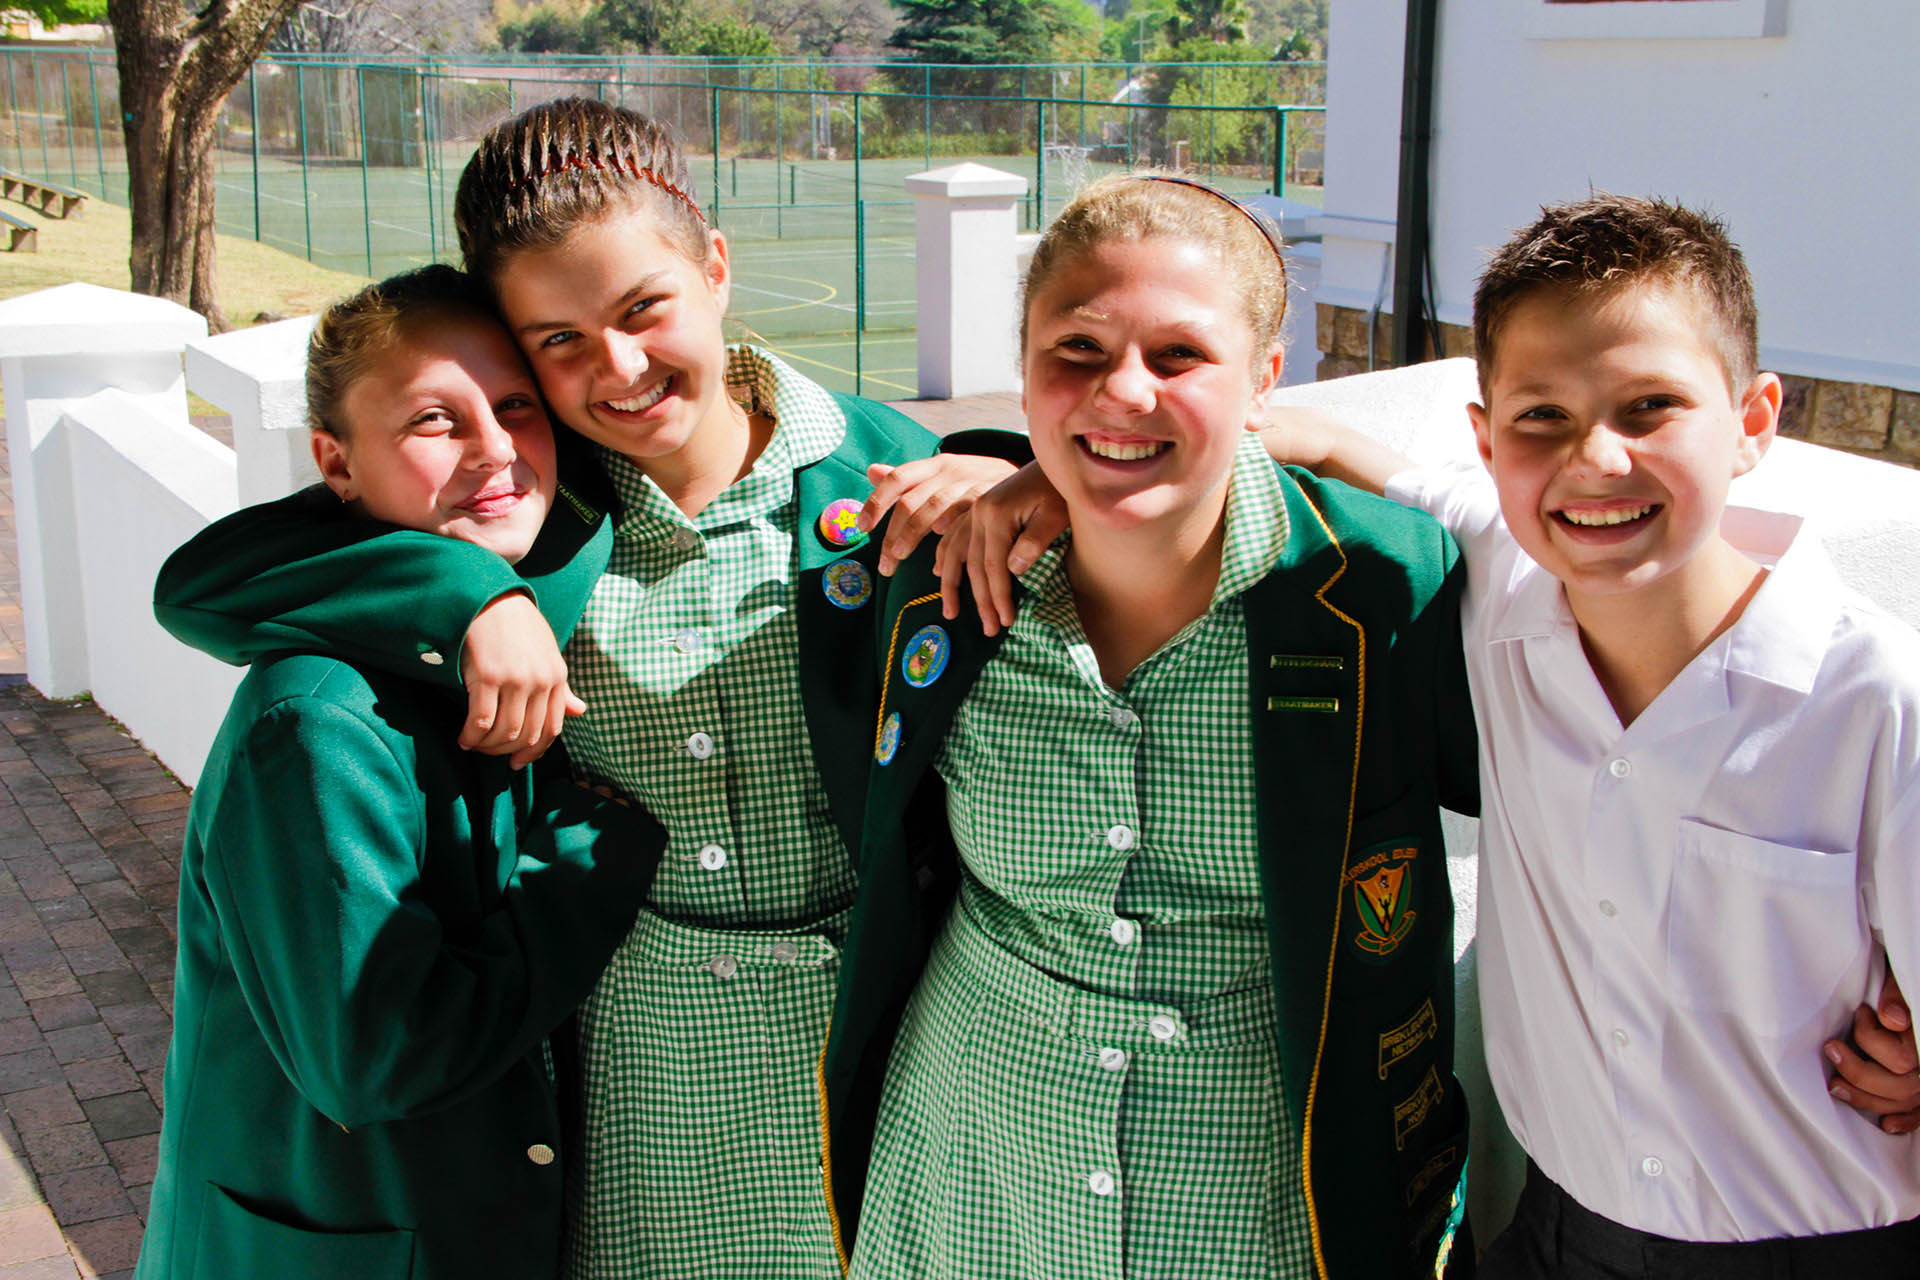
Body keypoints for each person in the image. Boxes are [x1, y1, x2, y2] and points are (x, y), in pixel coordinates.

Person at [148, 98, 1019, 1279]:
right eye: (554, 341)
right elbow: (212, 579)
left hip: (875, 1039)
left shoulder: (887, 479)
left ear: (713, 266)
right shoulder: (544, 506)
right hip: (626, 1058)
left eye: (643, 308)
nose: (614, 366)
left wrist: (1017, 472)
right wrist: (471, 597)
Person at [818, 174, 1481, 1280]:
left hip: (1259, 1205)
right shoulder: (938, 585)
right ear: (1023, 368)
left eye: (1180, 356)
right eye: (1076, 351)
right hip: (973, 1182)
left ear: (1266, 378)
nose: (1122, 391)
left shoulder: (1383, 593)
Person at [1245, 195, 1920, 1274]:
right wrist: (1035, 480)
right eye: (1541, 418)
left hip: (1825, 1240)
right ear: (1487, 438)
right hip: (1558, 1230)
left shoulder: (1877, 696)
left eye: (1650, 406)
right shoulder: (1505, 582)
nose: (1594, 459)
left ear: (1753, 423)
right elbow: (1331, 447)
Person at [135, 266, 665, 1279]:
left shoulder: (538, 575)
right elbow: (376, 1052)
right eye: (435, 418)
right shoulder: (314, 725)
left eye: (515, 404)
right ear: (336, 463)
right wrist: (588, 863)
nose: (497, 448)